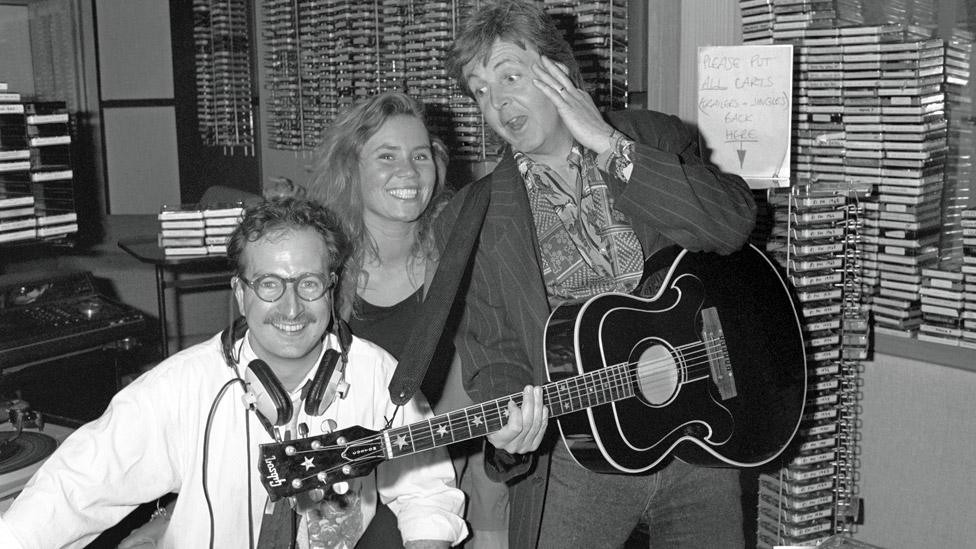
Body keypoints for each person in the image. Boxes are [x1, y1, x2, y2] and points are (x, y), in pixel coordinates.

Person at [436, 1, 760, 548]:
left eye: (510, 75)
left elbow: (729, 225)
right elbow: (492, 353)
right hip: (582, 451)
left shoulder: (653, 138)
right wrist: (510, 430)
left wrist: (610, 147)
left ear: (559, 72)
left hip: (698, 430)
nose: (496, 102)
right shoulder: (471, 219)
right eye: (480, 90)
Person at [0, 197, 467, 549]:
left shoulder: (377, 374)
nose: (291, 307)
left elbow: (428, 491)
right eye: (269, 284)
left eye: (308, 284)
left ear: (331, 288)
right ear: (241, 294)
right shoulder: (183, 386)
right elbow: (74, 488)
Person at [307, 91, 509, 549]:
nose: (409, 171)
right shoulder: (319, 264)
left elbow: (479, 377)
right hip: (345, 474)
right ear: (350, 169)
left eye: (421, 155)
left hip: (454, 459)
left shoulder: (462, 252)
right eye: (386, 155)